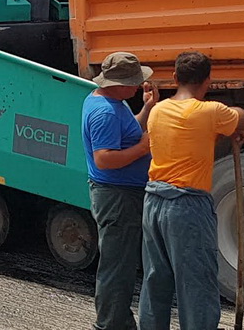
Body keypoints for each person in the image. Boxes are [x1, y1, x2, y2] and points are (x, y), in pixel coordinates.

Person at [138, 51, 244, 330]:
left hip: (153, 201)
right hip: (186, 206)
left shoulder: (158, 111)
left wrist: (221, 130)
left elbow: (191, 136)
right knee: (196, 285)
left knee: (155, 281)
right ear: (208, 81)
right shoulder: (211, 112)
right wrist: (233, 127)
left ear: (175, 77)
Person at [82, 51, 158, 330]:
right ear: (118, 84)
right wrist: (143, 148)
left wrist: (147, 109)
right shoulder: (106, 112)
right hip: (117, 196)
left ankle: (117, 322)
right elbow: (104, 158)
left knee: (120, 264)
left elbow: (127, 132)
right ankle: (111, 324)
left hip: (118, 194)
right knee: (117, 268)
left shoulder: (108, 101)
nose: (138, 86)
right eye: (134, 82)